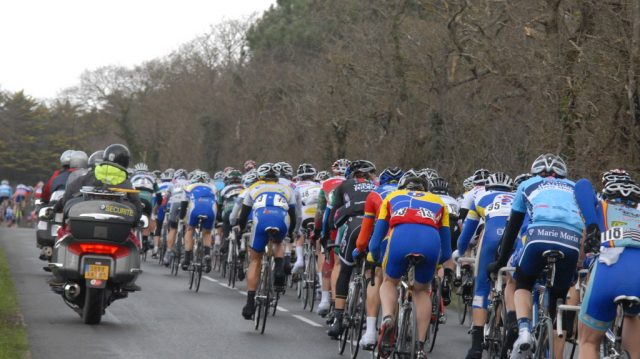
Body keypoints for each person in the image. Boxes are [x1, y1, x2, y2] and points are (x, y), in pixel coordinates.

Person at [488, 154, 586, 358]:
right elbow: (585, 226)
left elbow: (512, 229)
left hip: (538, 236)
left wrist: (500, 262)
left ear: (535, 173)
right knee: (559, 298)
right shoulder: (575, 187)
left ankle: (523, 331)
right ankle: (554, 344)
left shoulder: (527, 184)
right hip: (570, 240)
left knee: (523, 283)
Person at [369, 174, 452, 358]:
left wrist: (375, 258)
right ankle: (420, 345)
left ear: (403, 187)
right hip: (430, 241)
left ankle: (388, 317)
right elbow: (447, 252)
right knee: (421, 291)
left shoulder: (392, 198)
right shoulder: (439, 201)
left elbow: (375, 242)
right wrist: (435, 265)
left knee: (389, 282)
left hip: (400, 238)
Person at [574, 179, 640, 359]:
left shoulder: (601, 207)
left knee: (587, 342)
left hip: (610, 272)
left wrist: (593, 226)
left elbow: (581, 186)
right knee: (632, 316)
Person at [453, 172, 514, 359]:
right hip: (513, 241)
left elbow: (467, 233)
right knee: (514, 285)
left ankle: (476, 347)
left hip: (491, 239)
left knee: (481, 289)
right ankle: (513, 323)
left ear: (488, 187)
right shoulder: (519, 197)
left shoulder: (479, 196)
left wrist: (460, 251)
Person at [236, 163, 296, 320]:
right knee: (278, 242)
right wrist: (290, 234)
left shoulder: (253, 188)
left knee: (255, 259)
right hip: (281, 219)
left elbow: (243, 216)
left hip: (261, 218)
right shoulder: (287, 189)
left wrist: (240, 230)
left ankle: (249, 303)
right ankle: (278, 268)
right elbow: (294, 216)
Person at [353, 166, 403, 348]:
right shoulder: (408, 194)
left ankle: (371, 332)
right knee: (396, 282)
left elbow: (366, 229)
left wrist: (359, 248)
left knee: (375, 278)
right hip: (409, 240)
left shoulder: (374, 194)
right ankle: (401, 325)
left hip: (384, 238)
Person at [327, 160, 377, 338]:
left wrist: (327, 237)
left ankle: (338, 318)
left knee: (345, 268)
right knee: (374, 273)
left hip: (355, 225)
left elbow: (333, 214)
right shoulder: (378, 186)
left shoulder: (343, 185)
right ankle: (372, 322)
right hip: (376, 226)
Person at [314, 158, 350, 316]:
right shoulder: (358, 183)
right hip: (356, 224)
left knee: (329, 258)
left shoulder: (326, 183)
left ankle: (326, 299)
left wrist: (318, 233)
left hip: (334, 224)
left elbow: (321, 211)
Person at [180, 171, 217, 272]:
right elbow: (217, 202)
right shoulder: (212, 188)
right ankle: (207, 256)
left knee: (190, 230)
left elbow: (183, 205)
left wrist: (181, 218)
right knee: (207, 232)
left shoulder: (188, 187)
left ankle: (187, 259)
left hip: (195, 208)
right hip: (210, 209)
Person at [291, 163, 321, 273]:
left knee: (300, 233)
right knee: (319, 236)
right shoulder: (320, 185)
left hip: (304, 214)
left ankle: (299, 259)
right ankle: (319, 261)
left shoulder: (294, 186)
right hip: (318, 214)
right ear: (313, 176)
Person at [162, 169, 190, 266]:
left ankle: (168, 252)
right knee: (188, 229)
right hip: (185, 204)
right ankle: (186, 252)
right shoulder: (190, 183)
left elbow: (166, 198)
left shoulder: (172, 183)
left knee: (173, 229)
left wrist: (164, 207)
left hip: (175, 204)